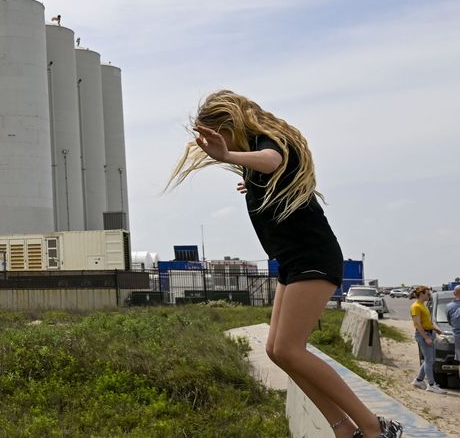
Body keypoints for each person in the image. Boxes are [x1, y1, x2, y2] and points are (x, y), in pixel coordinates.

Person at [167, 91, 403, 438]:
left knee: (291, 349)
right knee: (277, 351)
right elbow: (266, 167)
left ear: (231, 125)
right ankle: (342, 428)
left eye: (221, 135)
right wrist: (249, 181)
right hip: (293, 262)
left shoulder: (268, 142)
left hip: (313, 257)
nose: (219, 145)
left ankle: (373, 428)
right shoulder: (255, 164)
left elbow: (272, 159)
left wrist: (229, 154)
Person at [410, 286, 443, 392]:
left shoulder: (422, 306)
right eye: (428, 294)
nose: (429, 296)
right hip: (423, 335)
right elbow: (417, 324)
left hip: (429, 333)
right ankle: (431, 384)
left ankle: (419, 380)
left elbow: (426, 322)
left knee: (430, 359)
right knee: (429, 360)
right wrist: (425, 337)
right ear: (422, 293)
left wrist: (435, 329)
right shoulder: (416, 306)